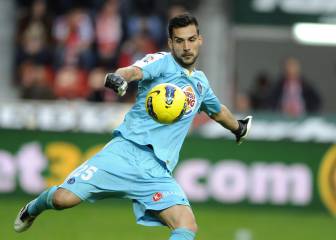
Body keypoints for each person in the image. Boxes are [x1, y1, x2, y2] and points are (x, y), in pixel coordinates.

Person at [14, 13, 252, 240]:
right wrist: (120, 78)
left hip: (157, 171)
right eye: (179, 41)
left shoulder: (200, 84)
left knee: (186, 224)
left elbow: (218, 111)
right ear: (171, 42)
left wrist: (238, 127)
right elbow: (133, 70)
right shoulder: (161, 61)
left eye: (191, 40)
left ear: (200, 40)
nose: (186, 47)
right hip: (124, 153)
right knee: (63, 200)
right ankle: (34, 207)